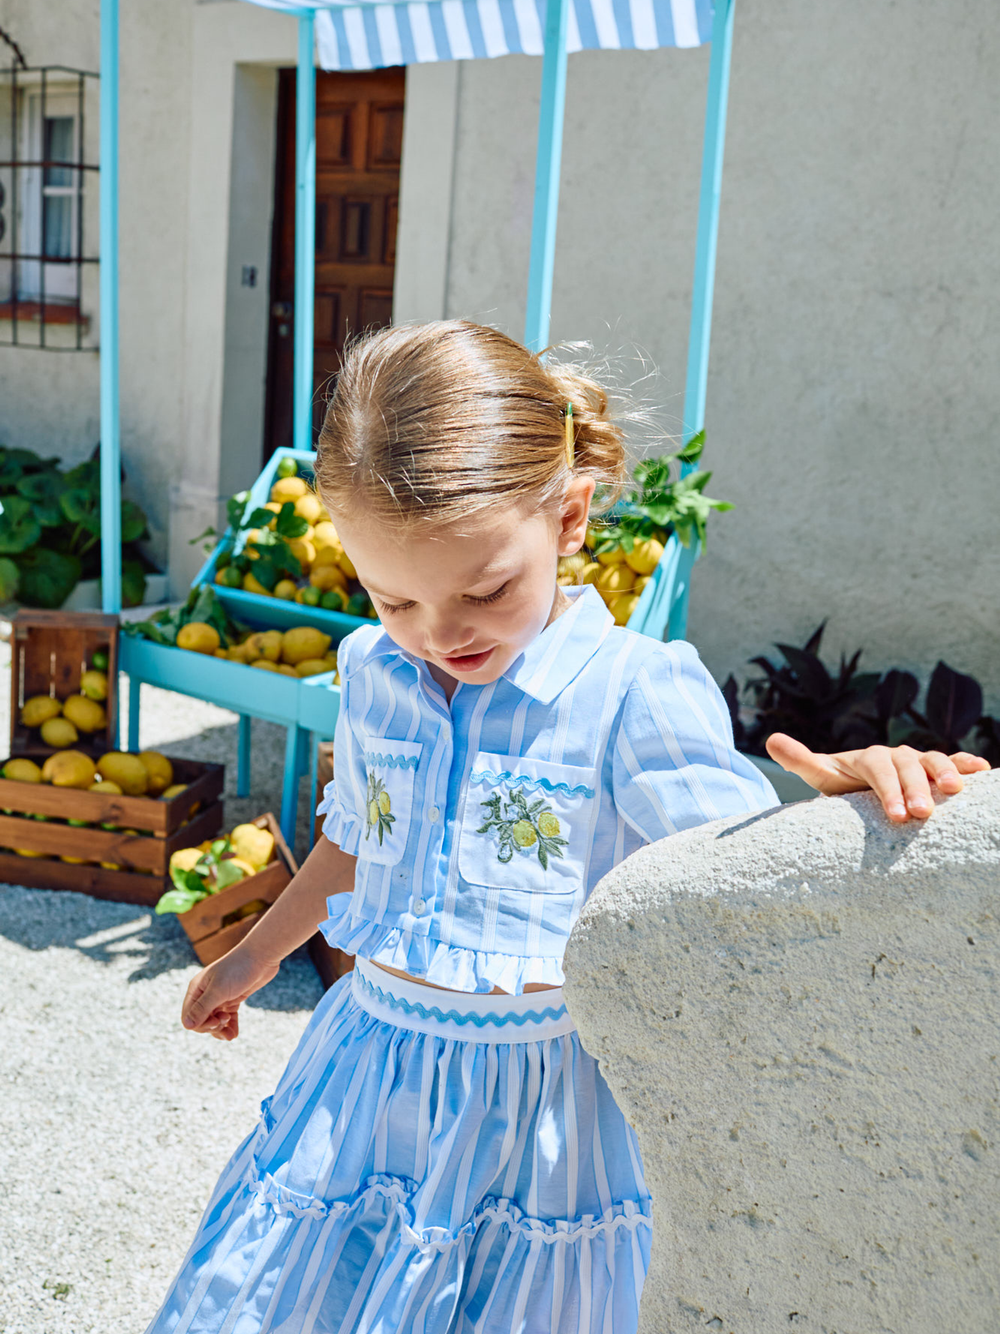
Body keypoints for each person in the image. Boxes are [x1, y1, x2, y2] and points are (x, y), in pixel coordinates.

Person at [145, 321, 987, 1334]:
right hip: (368, 1064)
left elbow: (733, 881)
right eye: (392, 596)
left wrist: (843, 801)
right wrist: (253, 955)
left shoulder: (633, 692)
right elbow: (356, 843)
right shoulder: (374, 670)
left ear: (570, 516)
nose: (438, 633)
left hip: (542, 1108)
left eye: (485, 589)